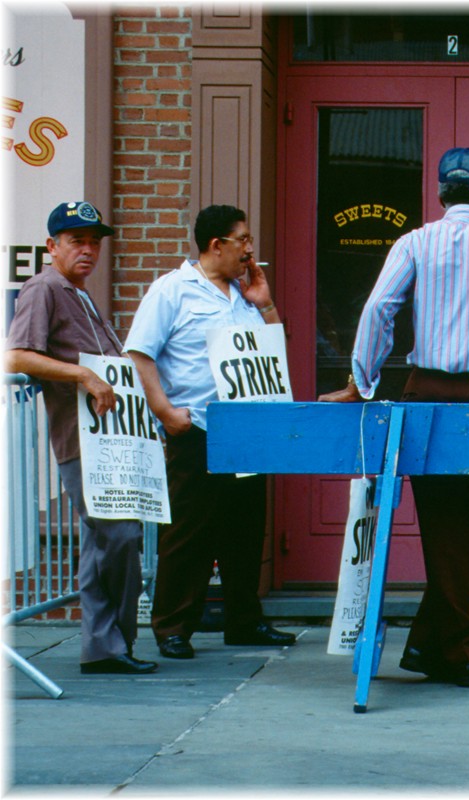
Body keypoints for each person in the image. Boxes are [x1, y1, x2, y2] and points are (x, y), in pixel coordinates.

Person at [319, 148, 469, 688]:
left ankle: (433, 644)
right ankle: (464, 648)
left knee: (445, 523)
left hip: (425, 389)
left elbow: (380, 307)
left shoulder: (414, 241)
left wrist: (363, 378)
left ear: (439, 194)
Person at [126, 205, 296, 660]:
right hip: (197, 426)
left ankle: (244, 619)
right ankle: (174, 626)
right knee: (188, 530)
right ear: (215, 244)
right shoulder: (171, 290)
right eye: (242, 239)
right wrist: (164, 411)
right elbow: (140, 354)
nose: (250, 249)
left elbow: (273, 353)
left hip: (246, 430)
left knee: (245, 529)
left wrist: (265, 303)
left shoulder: (244, 295)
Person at [6, 202, 157, 675]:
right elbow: (15, 357)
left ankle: (103, 646)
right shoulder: (45, 286)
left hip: (110, 438)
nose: (88, 249)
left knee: (104, 537)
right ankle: (112, 644)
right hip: (82, 440)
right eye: (76, 240)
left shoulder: (80, 293)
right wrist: (81, 376)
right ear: (52, 246)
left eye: (94, 241)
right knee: (120, 532)